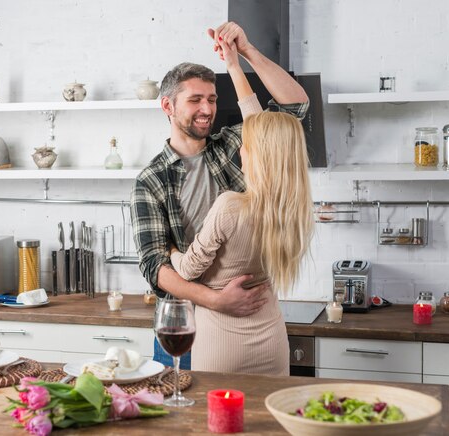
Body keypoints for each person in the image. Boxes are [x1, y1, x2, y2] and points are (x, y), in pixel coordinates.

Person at [130, 22, 309, 368]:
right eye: (195, 99)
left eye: (211, 99)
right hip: (181, 324)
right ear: (167, 105)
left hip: (247, 323)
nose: (207, 109)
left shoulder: (233, 145)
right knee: (182, 418)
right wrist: (216, 301)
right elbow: (156, 267)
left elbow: (295, 110)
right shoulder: (151, 179)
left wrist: (246, 53)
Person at [170, 109, 315, 375]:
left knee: (221, 417)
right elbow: (262, 123)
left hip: (222, 345)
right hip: (273, 342)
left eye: (245, 147)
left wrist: (171, 250)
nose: (240, 153)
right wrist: (236, 67)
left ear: (259, 156)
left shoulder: (230, 206)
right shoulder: (293, 210)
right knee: (268, 415)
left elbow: (188, 269)